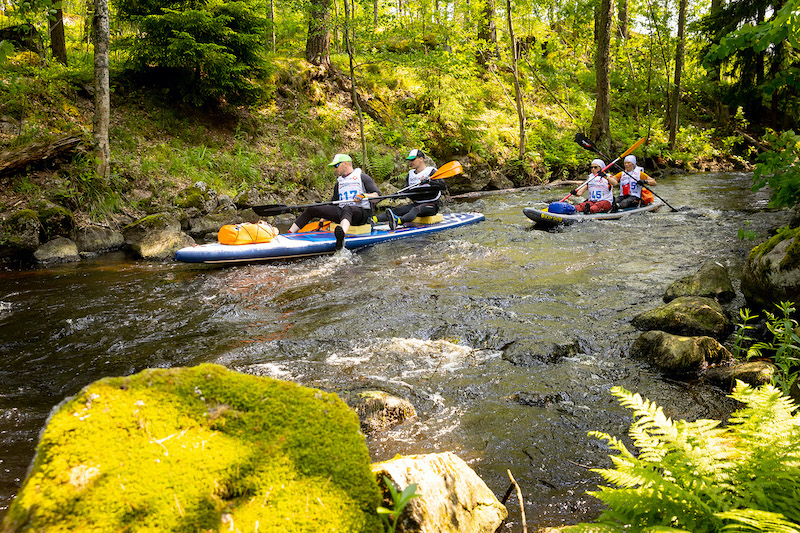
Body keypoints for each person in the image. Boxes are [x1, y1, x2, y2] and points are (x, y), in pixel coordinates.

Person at [288, 153, 381, 250]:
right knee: (313, 208)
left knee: (347, 208)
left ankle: (341, 236)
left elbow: (378, 197)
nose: (335, 169)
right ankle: (289, 233)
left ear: (345, 164)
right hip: (343, 214)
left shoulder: (362, 177)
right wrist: (322, 220)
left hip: (361, 215)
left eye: (336, 165)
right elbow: (334, 203)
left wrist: (364, 195)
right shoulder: (339, 182)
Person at [375, 149, 447, 229]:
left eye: (413, 159)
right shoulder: (410, 174)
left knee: (415, 210)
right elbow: (407, 191)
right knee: (397, 210)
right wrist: (398, 195)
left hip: (431, 205)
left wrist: (430, 182)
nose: (410, 162)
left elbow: (443, 186)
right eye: (409, 160)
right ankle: (374, 219)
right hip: (417, 203)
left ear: (421, 159)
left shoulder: (431, 171)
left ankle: (398, 221)